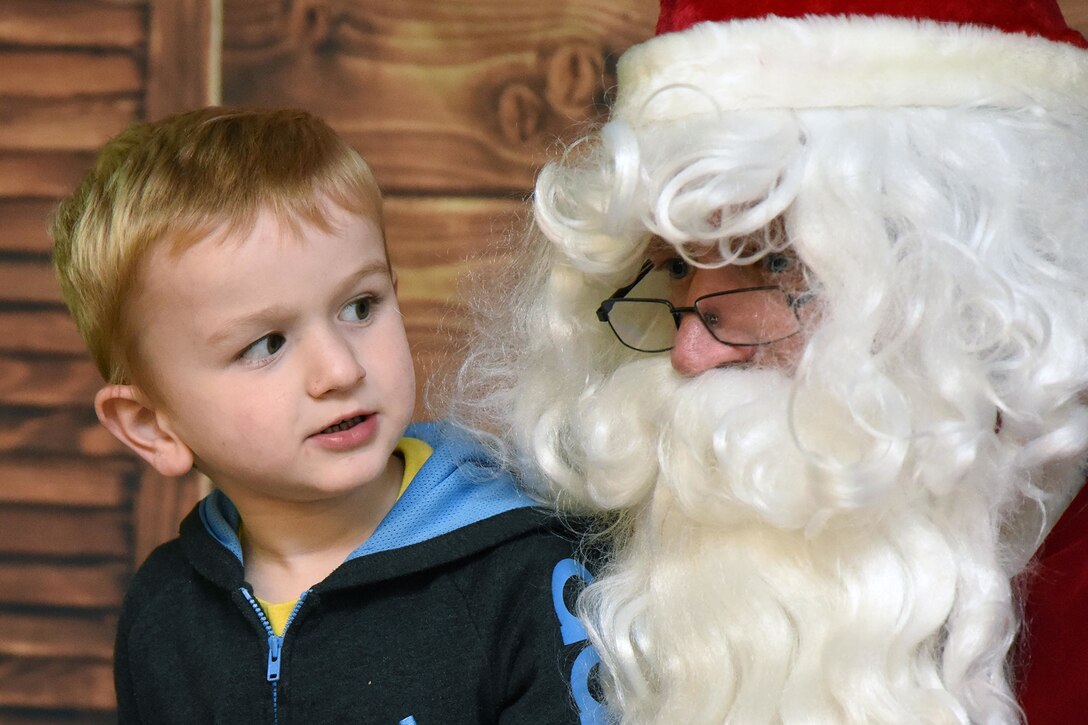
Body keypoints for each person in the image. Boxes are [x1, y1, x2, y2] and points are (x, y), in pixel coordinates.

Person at [451, 0, 1088, 722]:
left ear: (966, 287)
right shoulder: (559, 585)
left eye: (772, 260)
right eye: (673, 268)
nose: (690, 351)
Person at [50, 106, 599, 724]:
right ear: (153, 426)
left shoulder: (525, 568)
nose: (340, 370)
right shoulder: (164, 613)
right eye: (266, 345)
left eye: (360, 307)